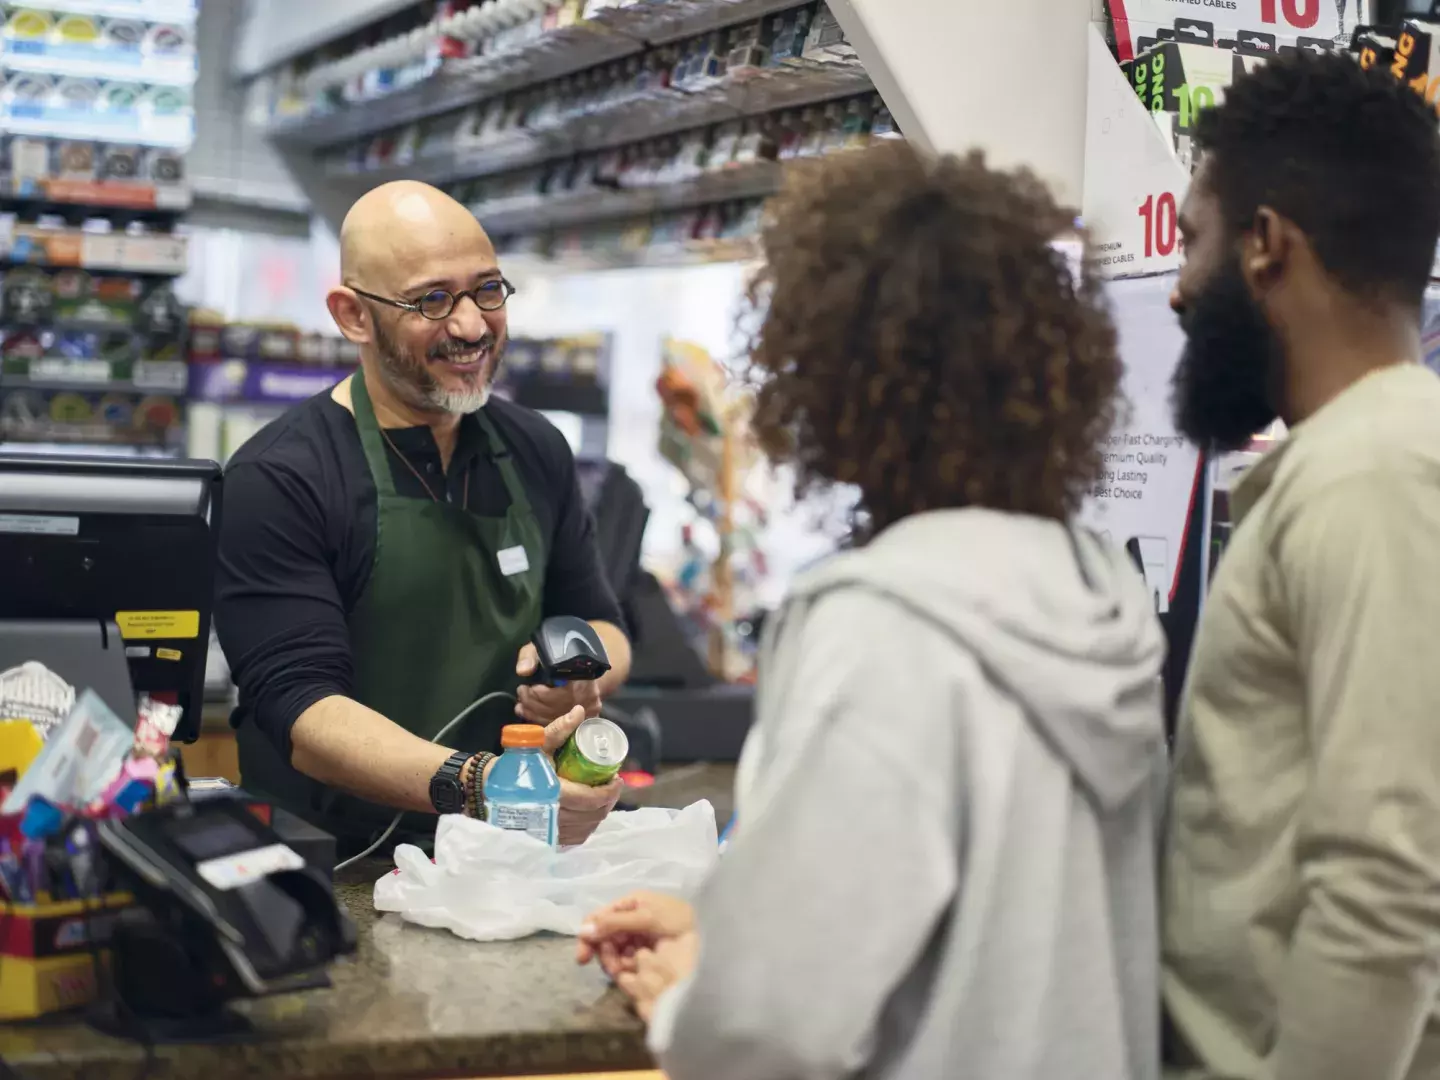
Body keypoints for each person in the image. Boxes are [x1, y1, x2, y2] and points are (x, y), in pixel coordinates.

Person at [577, 140, 1168, 1080]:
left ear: (830, 377)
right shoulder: (1095, 593)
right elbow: (990, 913)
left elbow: (771, 1031)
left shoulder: (883, 623)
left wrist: (691, 999)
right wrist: (730, 915)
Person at [1162, 52, 1440, 1080]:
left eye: (1195, 240)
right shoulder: (1353, 462)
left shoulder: (1379, 476)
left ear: (1268, 246)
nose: (1182, 290)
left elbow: (1385, 885)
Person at [214, 181, 630, 855]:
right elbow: (304, 712)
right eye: (432, 300)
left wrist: (580, 678)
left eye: (487, 290)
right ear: (353, 316)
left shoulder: (534, 448)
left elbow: (607, 622)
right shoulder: (281, 478)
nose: (470, 325)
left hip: (500, 856)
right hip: (332, 867)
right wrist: (480, 786)